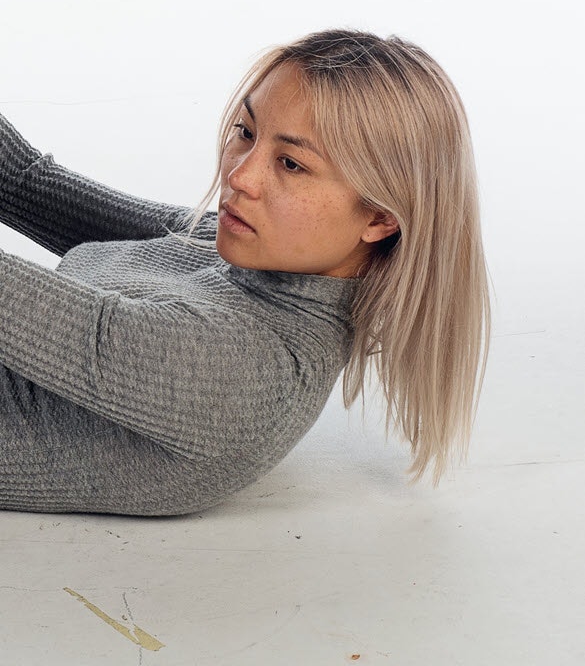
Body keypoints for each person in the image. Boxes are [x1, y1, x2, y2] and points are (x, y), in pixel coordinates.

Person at [0, 29, 491, 516]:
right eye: (247, 133)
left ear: (381, 217)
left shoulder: (250, 368)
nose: (240, 177)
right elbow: (26, 185)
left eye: (291, 164)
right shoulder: (252, 253)